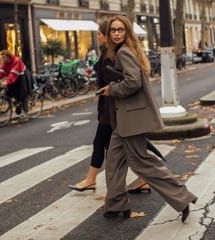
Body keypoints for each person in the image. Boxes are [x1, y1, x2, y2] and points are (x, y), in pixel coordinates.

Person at [98, 15, 197, 222]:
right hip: (123, 121)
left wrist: (111, 89)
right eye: (113, 30)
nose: (116, 33)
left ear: (126, 32)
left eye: (120, 30)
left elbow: (133, 83)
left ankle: (182, 197)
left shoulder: (124, 52)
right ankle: (116, 205)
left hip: (131, 120)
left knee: (143, 162)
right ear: (109, 33)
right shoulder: (122, 51)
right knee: (114, 162)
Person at [68, 21, 150, 194]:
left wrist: (111, 89)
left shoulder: (114, 55)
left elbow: (128, 81)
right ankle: (136, 183)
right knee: (123, 148)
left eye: (99, 33)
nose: (97, 37)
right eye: (114, 30)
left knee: (107, 146)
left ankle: (99, 184)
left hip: (112, 109)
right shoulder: (111, 53)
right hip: (111, 107)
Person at [0, 50, 33, 115]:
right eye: (2, 57)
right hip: (13, 77)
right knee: (9, 91)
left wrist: (7, 82)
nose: (3, 59)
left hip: (21, 75)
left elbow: (13, 73)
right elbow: (1, 72)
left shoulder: (16, 60)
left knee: (22, 93)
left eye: (4, 57)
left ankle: (25, 110)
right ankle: (17, 103)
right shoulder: (5, 63)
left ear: (8, 57)